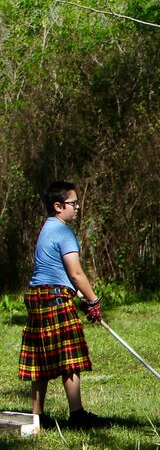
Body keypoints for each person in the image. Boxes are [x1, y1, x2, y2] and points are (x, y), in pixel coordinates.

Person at [18, 181, 107, 429]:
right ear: (58, 206)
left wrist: (78, 296)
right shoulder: (64, 232)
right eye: (73, 203)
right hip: (55, 297)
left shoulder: (46, 229)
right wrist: (94, 301)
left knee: (41, 356)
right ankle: (77, 415)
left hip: (38, 296)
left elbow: (58, 272)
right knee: (70, 355)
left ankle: (38, 416)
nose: (77, 207)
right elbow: (76, 273)